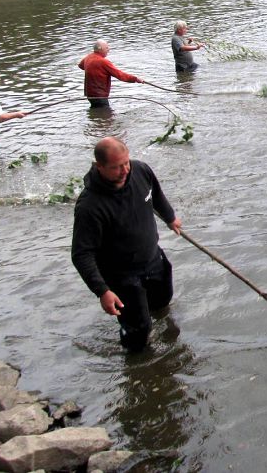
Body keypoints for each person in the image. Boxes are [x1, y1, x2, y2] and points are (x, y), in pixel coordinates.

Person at [71, 137, 183, 352]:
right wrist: (102, 291)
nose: (124, 171)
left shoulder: (141, 171)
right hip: (122, 276)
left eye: (126, 163)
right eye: (115, 167)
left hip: (153, 260)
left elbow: (155, 193)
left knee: (162, 304)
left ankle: (167, 353)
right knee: (138, 330)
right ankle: (137, 367)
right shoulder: (89, 206)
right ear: (99, 166)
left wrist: (170, 217)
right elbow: (81, 254)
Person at [78, 41, 144, 108]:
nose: (108, 50)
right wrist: (135, 79)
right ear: (100, 49)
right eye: (106, 48)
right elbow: (120, 75)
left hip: (90, 95)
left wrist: (92, 69)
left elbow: (81, 66)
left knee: (97, 113)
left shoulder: (88, 57)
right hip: (100, 96)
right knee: (107, 116)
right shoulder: (103, 62)